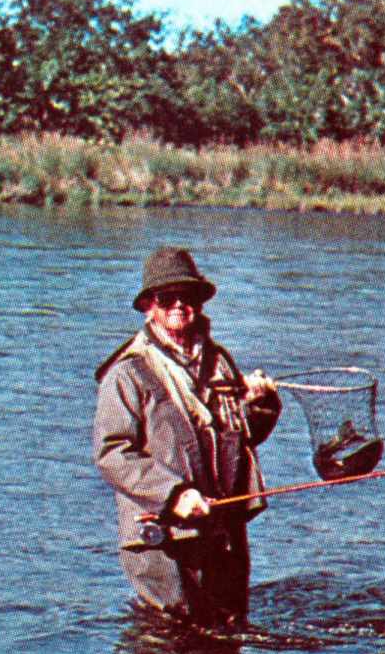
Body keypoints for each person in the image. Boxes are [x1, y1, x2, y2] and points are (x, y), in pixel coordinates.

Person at [93, 247, 281, 630]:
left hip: (222, 531)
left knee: (229, 637)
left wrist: (261, 405)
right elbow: (113, 453)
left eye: (189, 296)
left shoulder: (219, 361)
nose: (179, 305)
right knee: (172, 646)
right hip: (162, 540)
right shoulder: (126, 373)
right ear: (149, 306)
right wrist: (175, 495)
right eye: (167, 298)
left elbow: (241, 438)